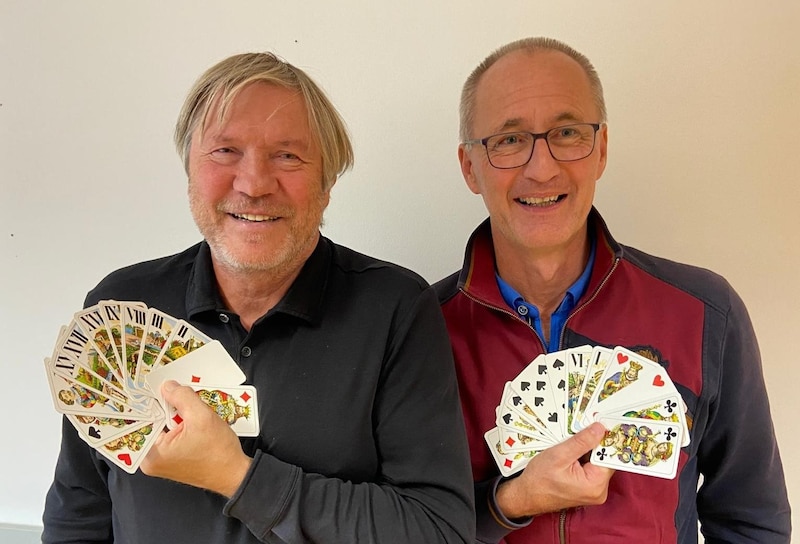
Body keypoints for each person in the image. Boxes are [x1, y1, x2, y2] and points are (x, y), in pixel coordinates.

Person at [42, 52, 475, 544]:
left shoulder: (395, 309)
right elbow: (78, 518)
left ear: (327, 182)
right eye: (225, 151)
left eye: (288, 155)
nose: (253, 184)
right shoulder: (120, 307)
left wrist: (237, 476)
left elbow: (439, 530)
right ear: (189, 169)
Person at [434, 37, 790, 543]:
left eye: (567, 132)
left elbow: (752, 521)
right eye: (509, 140)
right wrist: (506, 502)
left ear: (601, 149)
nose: (542, 167)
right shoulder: (416, 331)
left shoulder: (706, 312)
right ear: (470, 166)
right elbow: (397, 525)